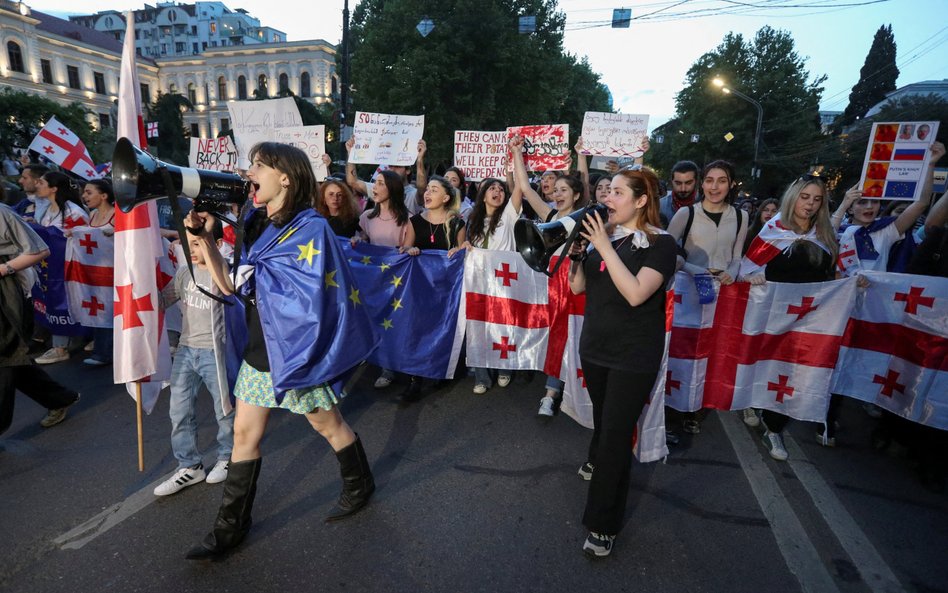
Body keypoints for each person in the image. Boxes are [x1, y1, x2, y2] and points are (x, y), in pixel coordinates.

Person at [184, 142, 378, 560]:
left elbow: (308, 297)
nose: (248, 171)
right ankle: (229, 528)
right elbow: (232, 285)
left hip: (293, 353)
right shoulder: (254, 223)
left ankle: (360, 484)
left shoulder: (311, 228)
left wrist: (260, 276)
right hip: (259, 350)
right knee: (243, 434)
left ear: (285, 176)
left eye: (258, 165)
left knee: (328, 426)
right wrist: (204, 239)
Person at [566, 167, 676, 557]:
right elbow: (577, 287)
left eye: (616, 192)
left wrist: (604, 244)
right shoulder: (603, 239)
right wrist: (578, 255)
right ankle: (599, 460)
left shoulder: (662, 244)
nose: (606, 198)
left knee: (615, 436)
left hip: (633, 356)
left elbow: (635, 294)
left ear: (641, 200)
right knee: (605, 419)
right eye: (607, 191)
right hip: (595, 347)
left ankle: (602, 524)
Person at [739, 175, 839, 461]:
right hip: (770, 318)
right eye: (805, 197)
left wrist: (849, 284)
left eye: (816, 199)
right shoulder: (773, 230)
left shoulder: (825, 235)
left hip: (807, 319)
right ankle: (752, 400)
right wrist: (752, 277)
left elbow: (830, 278)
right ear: (793, 197)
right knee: (765, 366)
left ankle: (774, 427)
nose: (809, 204)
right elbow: (745, 270)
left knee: (792, 373)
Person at [153, 222, 235, 497]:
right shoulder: (184, 272)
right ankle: (189, 466)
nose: (192, 250)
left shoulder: (222, 269)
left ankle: (229, 456)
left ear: (213, 243)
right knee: (179, 410)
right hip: (187, 350)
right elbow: (163, 300)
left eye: (198, 243)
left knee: (223, 408)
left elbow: (229, 291)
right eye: (188, 245)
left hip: (215, 349)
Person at [666, 160, 747, 434]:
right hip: (690, 290)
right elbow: (667, 251)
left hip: (722, 293)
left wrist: (732, 272)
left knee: (712, 350)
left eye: (721, 180)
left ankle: (698, 407)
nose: (715, 187)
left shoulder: (740, 216)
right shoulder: (686, 214)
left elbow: (737, 257)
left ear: (730, 183)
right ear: (702, 184)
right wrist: (695, 269)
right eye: (710, 180)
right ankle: (673, 410)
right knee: (685, 348)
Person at [510, 134, 588, 417]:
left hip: (579, 285)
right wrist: (517, 153)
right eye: (555, 189)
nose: (557, 192)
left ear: (577, 194)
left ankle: (577, 391)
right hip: (555, 287)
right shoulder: (549, 215)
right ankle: (551, 393)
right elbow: (526, 190)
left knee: (578, 338)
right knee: (557, 336)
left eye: (564, 188)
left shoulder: (587, 218)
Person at [0, 202, 81, 434]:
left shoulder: (2, 214)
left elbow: (40, 250)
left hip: (7, 296)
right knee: (14, 361)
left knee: (5, 357)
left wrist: (3, 269)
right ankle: (59, 398)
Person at [351, 169, 415, 390]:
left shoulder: (407, 219)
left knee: (394, 321)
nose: (375, 188)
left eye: (380, 184)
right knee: (373, 319)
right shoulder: (366, 217)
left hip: (397, 280)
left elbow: (409, 245)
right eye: (374, 183)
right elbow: (363, 239)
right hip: (372, 280)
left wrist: (409, 249)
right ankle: (373, 357)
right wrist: (356, 239)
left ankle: (390, 367)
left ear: (392, 189)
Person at [459, 177, 524, 394]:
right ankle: (481, 376)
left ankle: (503, 367)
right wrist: (466, 244)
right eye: (492, 189)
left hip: (502, 284)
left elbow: (519, 189)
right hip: (478, 283)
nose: (497, 192)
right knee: (477, 328)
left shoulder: (508, 217)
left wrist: (513, 164)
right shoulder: (472, 219)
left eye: (501, 189)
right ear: (483, 193)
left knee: (502, 326)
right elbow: (466, 247)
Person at [33, 171, 90, 365]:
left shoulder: (74, 212)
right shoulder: (47, 209)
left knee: (64, 303)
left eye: (40, 181)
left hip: (68, 267)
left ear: (54, 188)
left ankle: (60, 347)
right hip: (49, 267)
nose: (36, 184)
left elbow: (79, 239)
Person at [77, 179, 116, 366]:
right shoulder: (91, 215)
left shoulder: (117, 215)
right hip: (96, 273)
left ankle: (104, 353)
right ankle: (102, 350)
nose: (84, 196)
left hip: (114, 271)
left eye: (89, 192)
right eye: (85, 192)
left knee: (109, 308)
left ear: (104, 195)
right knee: (100, 307)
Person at [345, 137, 428, 216]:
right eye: (391, 166)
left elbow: (421, 189)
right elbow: (353, 182)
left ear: (408, 170)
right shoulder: (378, 189)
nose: (392, 170)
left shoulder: (412, 194)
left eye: (397, 166)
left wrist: (420, 159)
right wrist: (350, 153)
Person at [658, 160, 700, 227]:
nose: (683, 189)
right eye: (678, 183)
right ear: (671, 182)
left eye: (688, 183)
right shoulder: (659, 207)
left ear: (696, 181)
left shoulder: (706, 205)